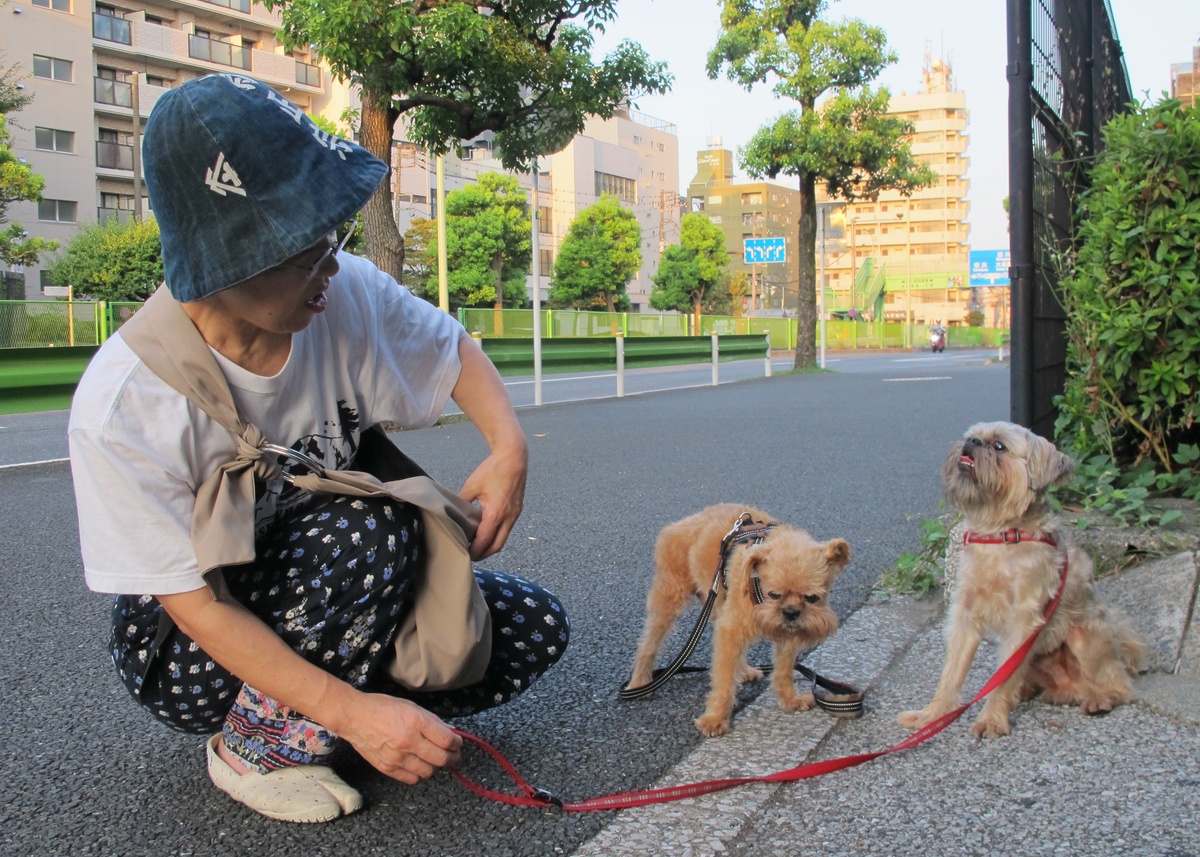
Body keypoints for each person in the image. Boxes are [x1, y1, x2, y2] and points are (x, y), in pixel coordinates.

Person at [67, 74, 568, 823]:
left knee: (530, 628)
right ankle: (256, 747)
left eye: (332, 236)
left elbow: (450, 349)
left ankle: (326, 715)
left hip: (338, 596)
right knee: (369, 528)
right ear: (223, 261)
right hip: (190, 648)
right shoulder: (124, 405)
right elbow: (197, 607)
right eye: (304, 251)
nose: (331, 265)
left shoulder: (345, 295)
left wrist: (509, 445)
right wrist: (357, 711)